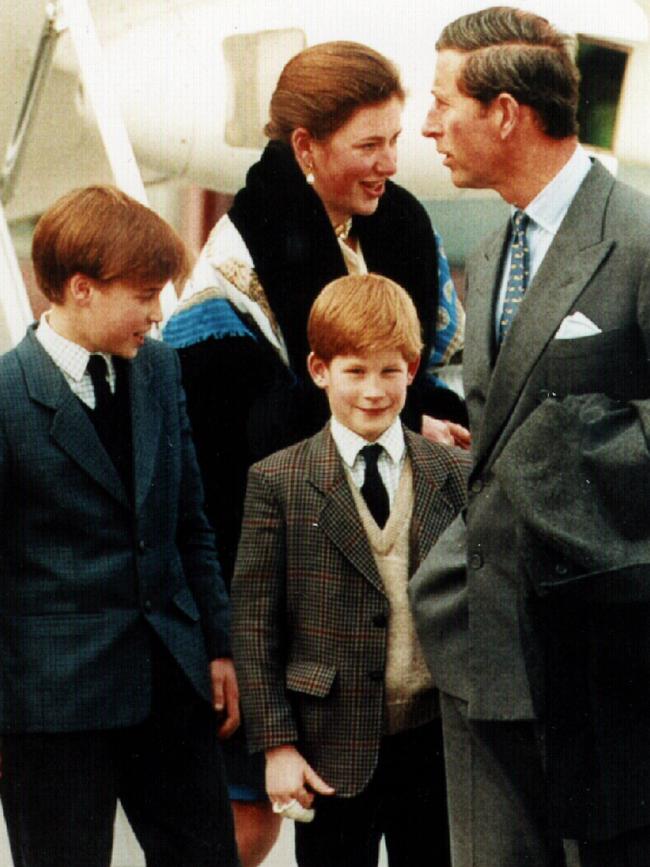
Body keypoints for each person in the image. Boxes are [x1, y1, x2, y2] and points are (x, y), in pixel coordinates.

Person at [163, 39, 468, 864]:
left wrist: (428, 418)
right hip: (289, 582)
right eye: (368, 145)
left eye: (395, 139)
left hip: (404, 622)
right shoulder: (234, 271)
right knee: (250, 825)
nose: (389, 163)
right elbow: (227, 452)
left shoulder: (400, 225)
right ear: (305, 146)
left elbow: (422, 366)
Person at [410, 6, 650, 867]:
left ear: (505, 112)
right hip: (482, 649)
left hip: (601, 668)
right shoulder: (494, 246)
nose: (428, 125)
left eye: (443, 103)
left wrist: (553, 456)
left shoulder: (639, 237)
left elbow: (552, 439)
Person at [0, 185, 241, 867]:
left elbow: (191, 521)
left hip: (171, 687)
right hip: (52, 708)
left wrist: (216, 647)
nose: (155, 312)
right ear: (81, 289)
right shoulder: (7, 396)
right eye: (143, 294)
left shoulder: (160, 369)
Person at [231, 273, 470, 867]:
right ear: (319, 370)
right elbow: (255, 626)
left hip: (437, 742)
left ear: (413, 371)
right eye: (355, 371)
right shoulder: (277, 481)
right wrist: (277, 746)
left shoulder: (454, 473)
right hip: (328, 749)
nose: (373, 391)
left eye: (390, 371)